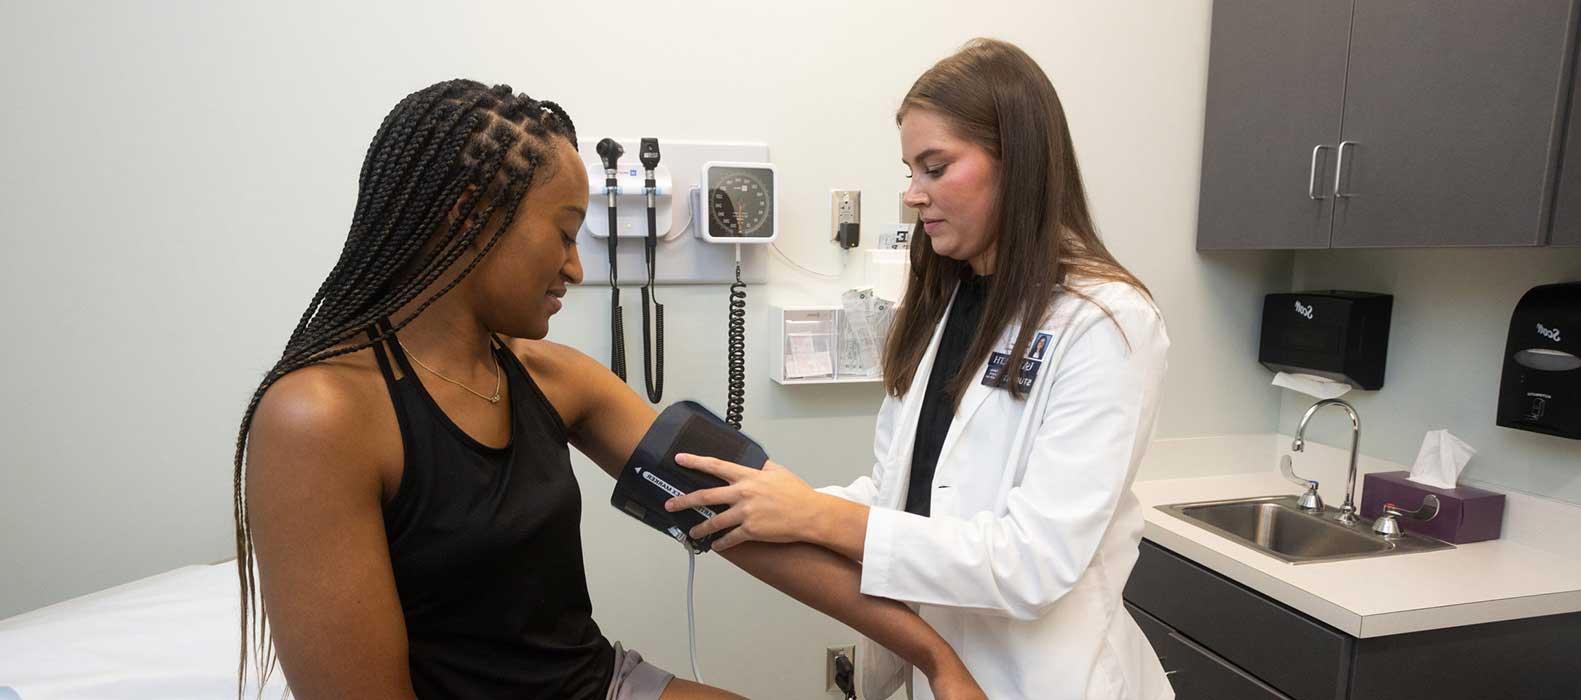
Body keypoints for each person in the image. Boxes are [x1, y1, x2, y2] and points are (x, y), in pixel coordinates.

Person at [234, 80, 984, 700]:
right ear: (469, 222)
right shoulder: (319, 418)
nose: (576, 267)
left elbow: (741, 520)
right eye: (563, 234)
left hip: (598, 685)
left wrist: (931, 655)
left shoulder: (552, 378)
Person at [664, 39, 1175, 699]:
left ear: (1015, 161)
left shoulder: (1107, 323)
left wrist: (815, 519)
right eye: (910, 170)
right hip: (938, 668)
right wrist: (788, 502)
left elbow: (1032, 562)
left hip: (1043, 680)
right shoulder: (951, 301)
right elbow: (909, 498)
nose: (912, 195)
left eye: (935, 168)